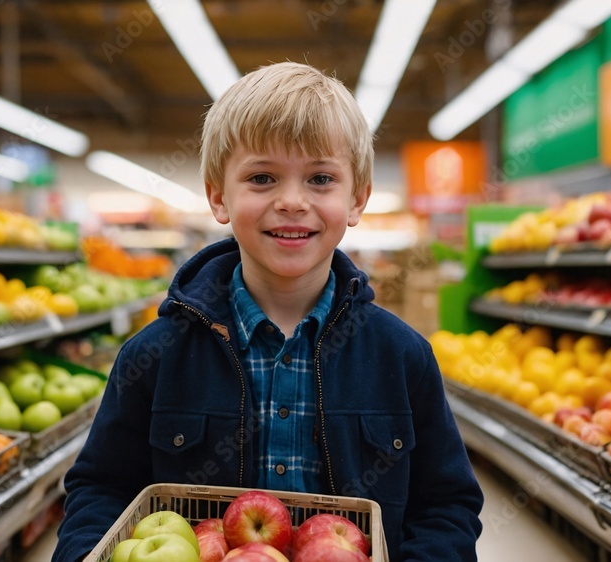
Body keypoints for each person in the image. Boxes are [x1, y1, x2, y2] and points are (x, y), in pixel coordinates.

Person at [52, 61, 483, 562]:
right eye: (262, 178)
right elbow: (100, 489)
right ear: (219, 197)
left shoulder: (402, 356)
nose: (292, 201)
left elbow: (447, 505)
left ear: (356, 200)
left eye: (321, 178)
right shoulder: (154, 354)